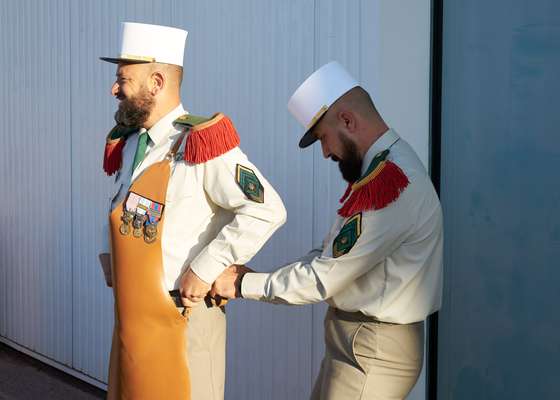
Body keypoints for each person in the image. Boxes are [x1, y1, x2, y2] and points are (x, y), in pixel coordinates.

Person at [212, 61, 443, 400]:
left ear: (348, 120)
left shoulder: (391, 182)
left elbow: (324, 276)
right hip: (358, 343)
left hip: (371, 350)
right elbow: (330, 255)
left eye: (323, 137)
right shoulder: (380, 171)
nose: (325, 152)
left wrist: (243, 283)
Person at [97, 22, 286, 400]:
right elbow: (124, 205)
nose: (114, 89)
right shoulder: (132, 142)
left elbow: (266, 210)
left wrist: (205, 268)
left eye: (124, 80)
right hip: (134, 317)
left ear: (156, 82)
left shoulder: (200, 142)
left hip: (182, 318)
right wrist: (110, 254)